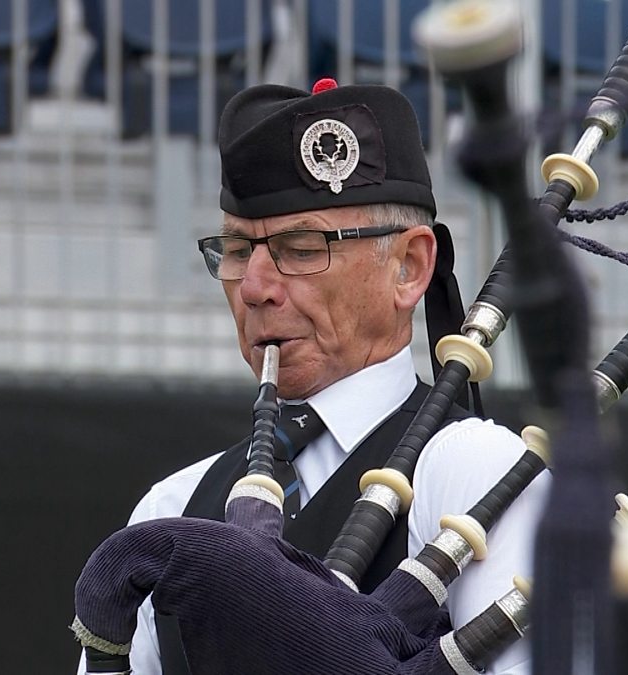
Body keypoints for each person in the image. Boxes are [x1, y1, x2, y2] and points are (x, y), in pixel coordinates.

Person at [76, 79, 547, 674]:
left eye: (301, 248)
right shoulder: (173, 506)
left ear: (409, 266)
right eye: (237, 249)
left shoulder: (470, 472)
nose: (254, 288)